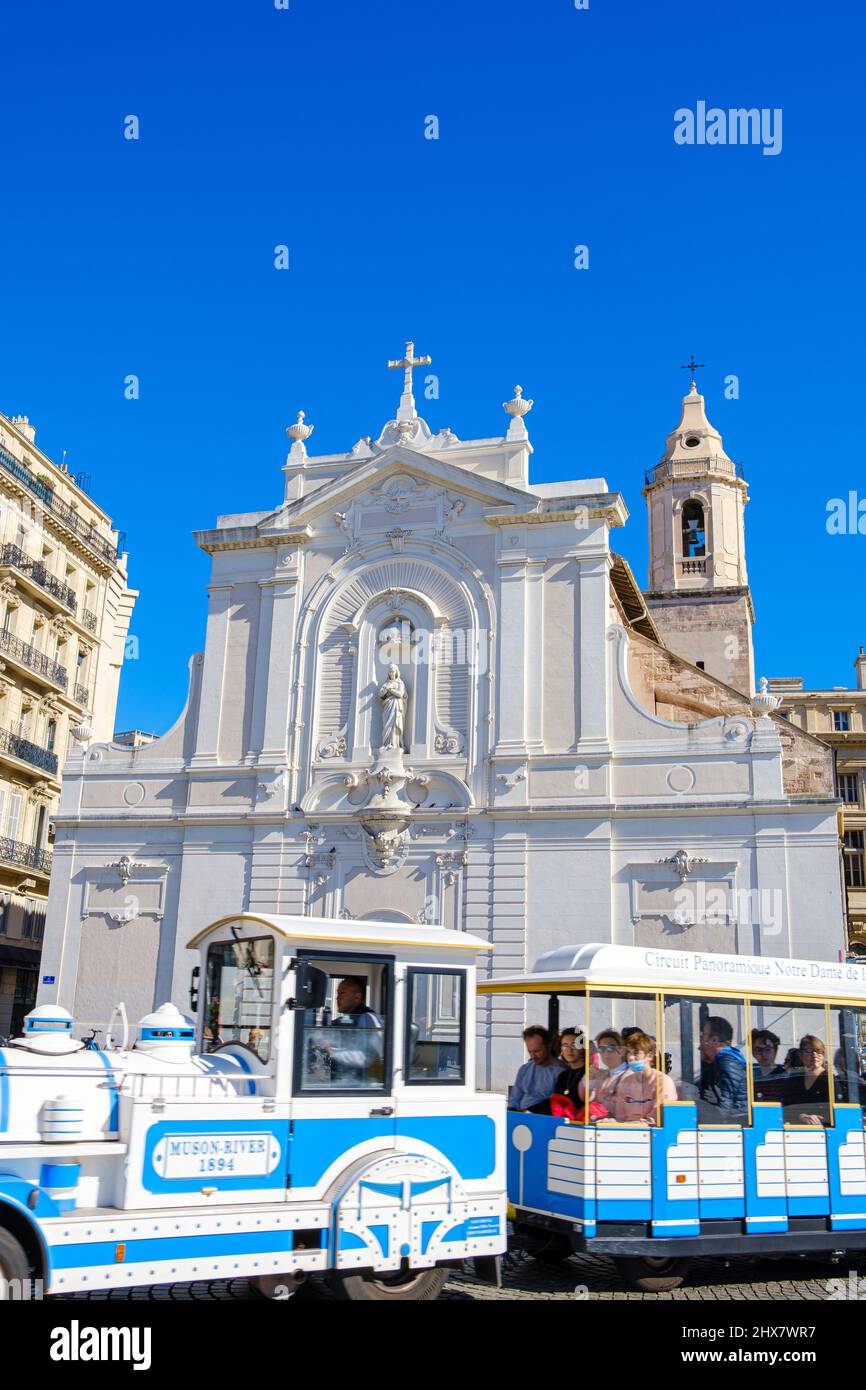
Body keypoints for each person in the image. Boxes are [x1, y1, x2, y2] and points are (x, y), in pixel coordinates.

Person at [596, 1030, 676, 1125]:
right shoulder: (625, 1082)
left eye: (636, 1053)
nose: (631, 1058)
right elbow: (620, 1116)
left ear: (649, 1055)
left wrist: (630, 1124)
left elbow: (656, 1118)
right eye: (629, 1053)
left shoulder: (663, 1081)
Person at [322, 976, 384, 1085]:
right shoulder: (347, 1019)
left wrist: (333, 1052)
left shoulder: (367, 1018)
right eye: (338, 993)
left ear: (357, 997)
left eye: (343, 993)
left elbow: (366, 1057)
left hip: (362, 1086)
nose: (337, 998)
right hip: (347, 1082)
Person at [698, 1017, 748, 1122]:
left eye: (703, 1035)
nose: (700, 1040)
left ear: (714, 1040)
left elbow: (722, 1110)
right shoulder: (716, 1062)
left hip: (733, 1128)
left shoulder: (727, 1064)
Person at [509, 1026, 562, 1111]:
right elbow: (514, 1099)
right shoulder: (524, 1069)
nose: (533, 1056)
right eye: (530, 1051)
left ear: (548, 1046)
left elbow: (555, 1104)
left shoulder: (560, 1071)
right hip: (520, 1117)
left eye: (537, 1051)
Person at [783, 1034, 831, 1125]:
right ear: (800, 1055)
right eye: (809, 1051)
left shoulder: (831, 1080)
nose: (814, 1054)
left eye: (819, 1051)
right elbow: (786, 1107)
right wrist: (801, 1116)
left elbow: (837, 1111)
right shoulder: (794, 1080)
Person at [579, 1028, 629, 1114]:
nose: (606, 1053)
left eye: (611, 1048)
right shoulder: (600, 1075)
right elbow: (585, 1098)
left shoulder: (631, 1075)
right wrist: (590, 1078)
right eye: (601, 1049)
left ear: (622, 1051)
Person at [751, 1028, 786, 1102]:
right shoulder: (751, 1078)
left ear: (775, 1051)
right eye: (758, 1050)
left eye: (768, 1049)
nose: (763, 1054)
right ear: (753, 1053)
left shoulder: (784, 1077)